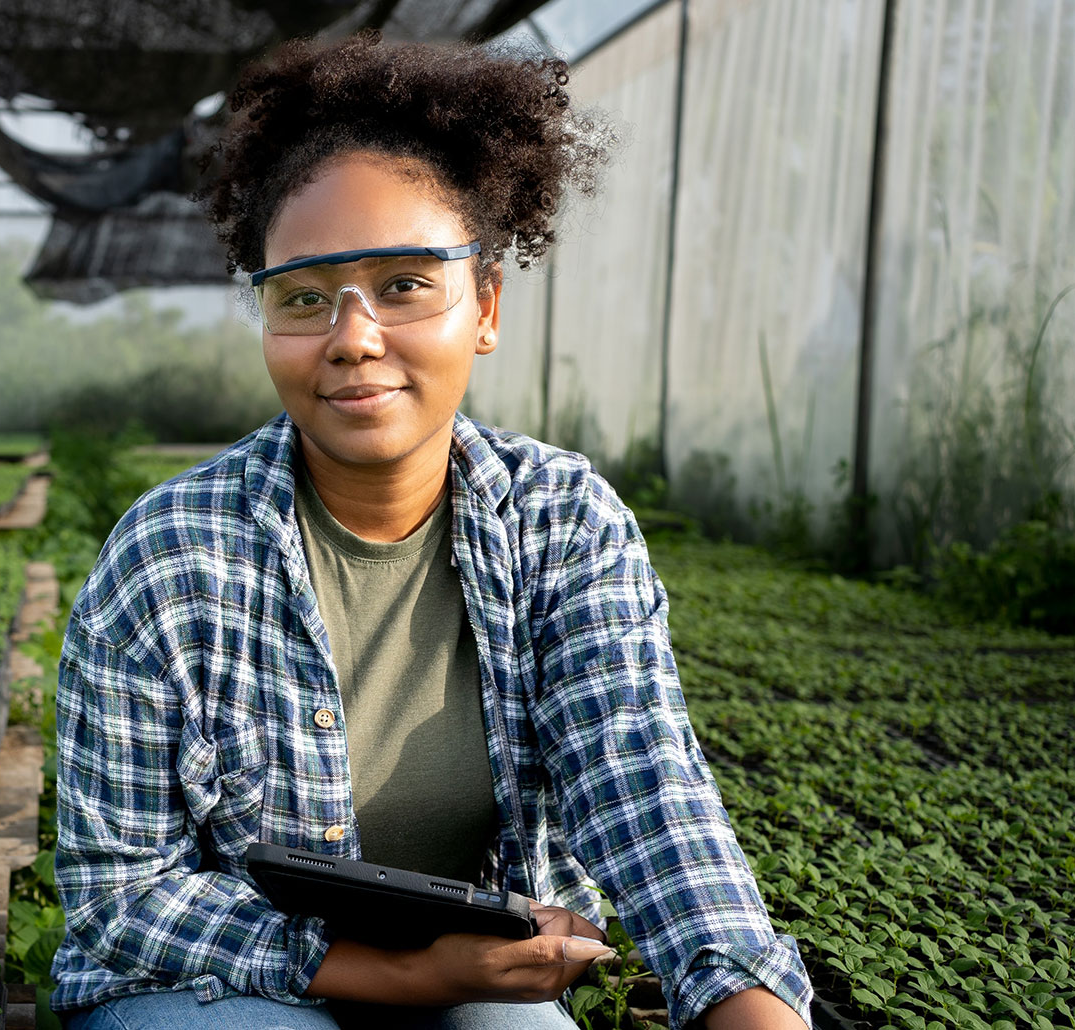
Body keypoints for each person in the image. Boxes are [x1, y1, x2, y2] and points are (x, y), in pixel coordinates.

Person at [50, 32, 814, 1030]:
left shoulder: (562, 526)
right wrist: (407, 976)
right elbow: (122, 896)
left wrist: (746, 999)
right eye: (305, 297)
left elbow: (648, 793)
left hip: (473, 977)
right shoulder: (168, 557)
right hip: (217, 981)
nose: (354, 337)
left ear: (485, 302)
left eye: (406, 283)